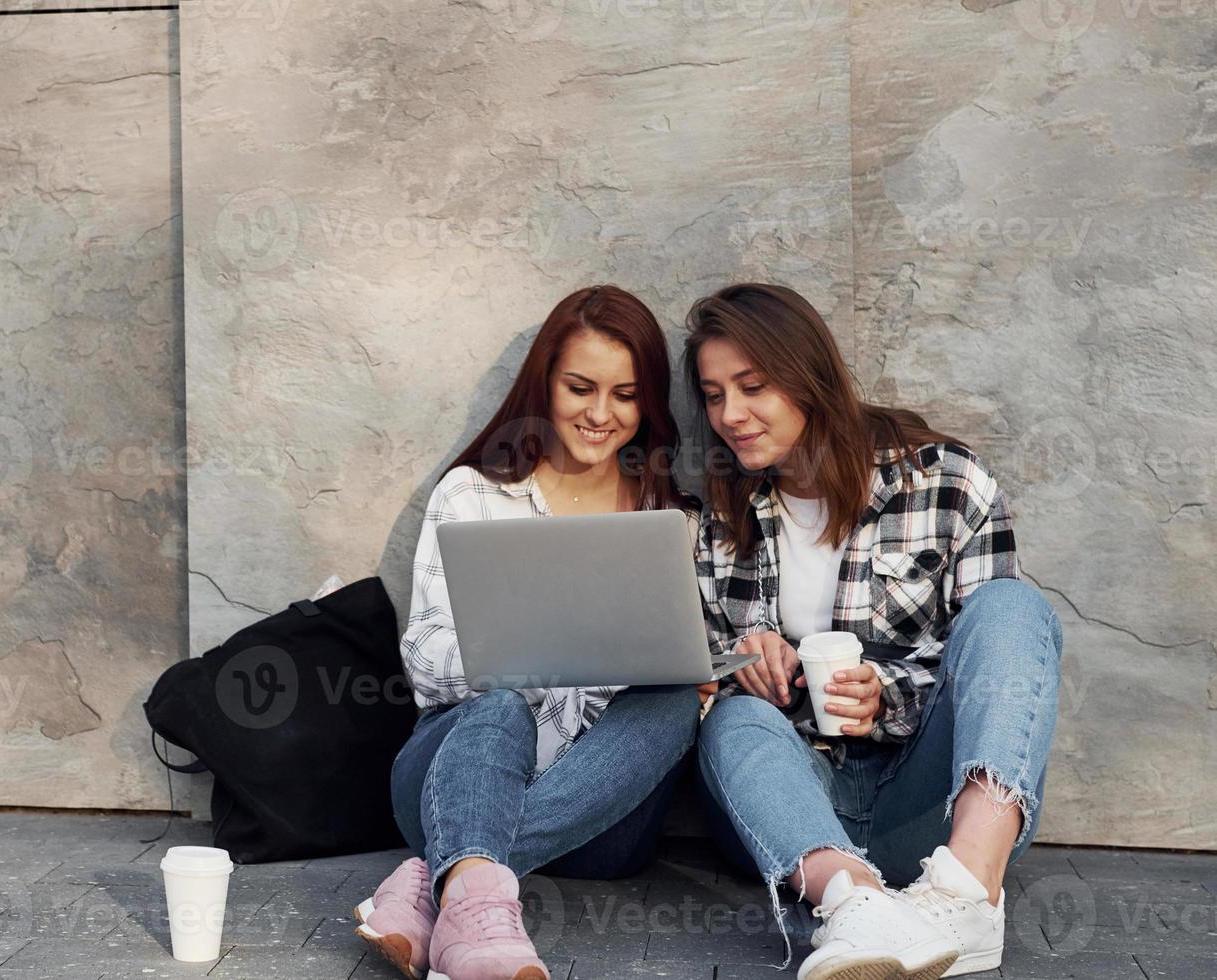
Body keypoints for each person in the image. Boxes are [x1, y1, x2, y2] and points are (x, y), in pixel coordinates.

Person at [683, 283, 1063, 980]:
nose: (730, 415)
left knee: (1015, 606)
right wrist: (741, 662)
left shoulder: (948, 483)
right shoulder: (718, 515)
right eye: (713, 395)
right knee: (731, 720)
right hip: (792, 819)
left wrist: (885, 692)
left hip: (932, 810)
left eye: (753, 386)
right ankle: (856, 908)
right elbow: (691, 685)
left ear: (809, 374)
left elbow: (1000, 664)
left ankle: (968, 897)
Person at [354, 286, 712, 980]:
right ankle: (477, 916)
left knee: (676, 706)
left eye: (626, 396)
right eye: (580, 388)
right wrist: (536, 649)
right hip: (444, 781)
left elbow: (688, 652)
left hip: (600, 820)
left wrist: (698, 672)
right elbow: (425, 662)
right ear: (544, 380)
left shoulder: (666, 514)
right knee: (497, 706)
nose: (601, 415)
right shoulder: (474, 494)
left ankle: (440, 885)